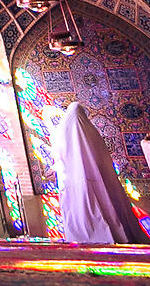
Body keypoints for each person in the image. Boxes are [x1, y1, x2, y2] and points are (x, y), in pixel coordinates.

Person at [47, 102, 143, 244]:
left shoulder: (63, 131)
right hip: (95, 179)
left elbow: (59, 157)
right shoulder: (89, 130)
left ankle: (86, 237)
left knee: (83, 211)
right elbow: (102, 158)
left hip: (74, 182)